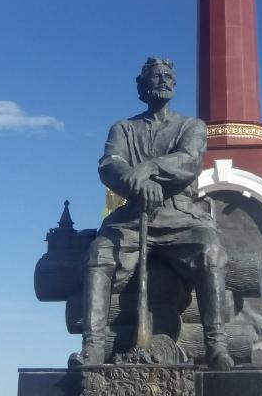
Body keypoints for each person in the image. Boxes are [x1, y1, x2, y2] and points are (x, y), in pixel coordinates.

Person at [69, 57, 234, 370]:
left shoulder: (191, 126)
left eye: (168, 76)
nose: (163, 81)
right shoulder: (123, 128)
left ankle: (216, 345)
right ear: (142, 86)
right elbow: (110, 164)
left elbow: (189, 160)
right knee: (99, 253)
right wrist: (137, 184)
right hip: (134, 215)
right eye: (156, 76)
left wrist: (147, 169)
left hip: (180, 216)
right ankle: (93, 347)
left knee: (210, 252)